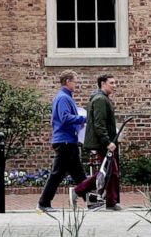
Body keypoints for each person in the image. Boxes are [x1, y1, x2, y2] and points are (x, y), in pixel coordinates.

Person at [37, 70, 87, 212]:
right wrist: (83, 118)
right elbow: (64, 118)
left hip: (68, 140)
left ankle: (90, 200)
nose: (76, 84)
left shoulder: (64, 97)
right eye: (75, 81)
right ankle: (43, 203)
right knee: (57, 173)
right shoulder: (63, 98)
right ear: (67, 81)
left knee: (78, 174)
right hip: (65, 141)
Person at [71, 73, 121, 210]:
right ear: (103, 84)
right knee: (110, 172)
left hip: (105, 142)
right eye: (112, 83)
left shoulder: (103, 98)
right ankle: (79, 191)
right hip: (102, 143)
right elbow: (99, 124)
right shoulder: (100, 99)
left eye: (115, 83)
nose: (114, 86)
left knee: (109, 172)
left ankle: (111, 202)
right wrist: (107, 142)